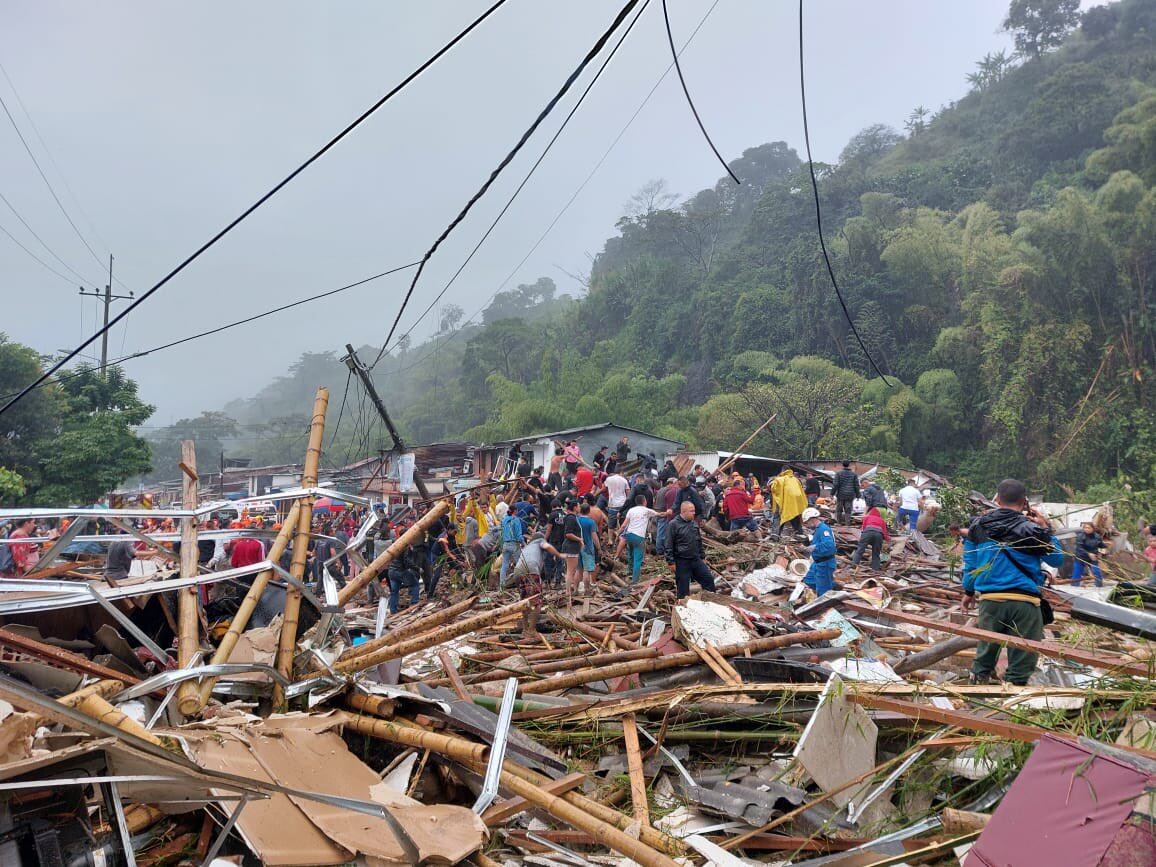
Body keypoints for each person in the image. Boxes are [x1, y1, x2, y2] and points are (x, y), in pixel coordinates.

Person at [962, 478, 1064, 685]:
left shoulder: (978, 526)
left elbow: (970, 564)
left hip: (991, 600)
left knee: (986, 651)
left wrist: (968, 591)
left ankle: (977, 689)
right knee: (1023, 657)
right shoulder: (1033, 529)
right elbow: (1056, 559)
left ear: (997, 499)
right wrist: (1046, 528)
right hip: (1025, 602)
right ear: (1024, 501)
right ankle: (1013, 693)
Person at [509, 534, 559, 637]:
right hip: (530, 569)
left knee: (525, 601)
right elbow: (547, 547)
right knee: (537, 602)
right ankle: (531, 630)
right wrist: (559, 555)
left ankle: (525, 629)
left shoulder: (527, 547)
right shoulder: (540, 541)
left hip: (517, 571)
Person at [665, 500, 717, 599]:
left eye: (694, 511)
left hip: (695, 559)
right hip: (681, 561)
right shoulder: (673, 524)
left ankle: (711, 601)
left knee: (708, 579)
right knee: (683, 588)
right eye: (691, 511)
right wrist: (670, 562)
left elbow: (698, 541)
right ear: (684, 511)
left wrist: (702, 556)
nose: (694, 513)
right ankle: (683, 608)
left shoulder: (693, 524)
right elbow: (668, 544)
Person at [619, 494, 663, 584]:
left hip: (629, 535)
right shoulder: (647, 511)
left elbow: (624, 525)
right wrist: (668, 513)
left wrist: (618, 533)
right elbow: (660, 514)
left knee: (630, 554)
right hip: (639, 537)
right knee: (638, 559)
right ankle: (635, 581)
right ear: (644, 501)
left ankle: (629, 572)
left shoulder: (631, 510)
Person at [801, 507, 838, 596]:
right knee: (809, 581)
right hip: (817, 563)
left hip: (825, 563)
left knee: (822, 592)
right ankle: (831, 585)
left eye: (807, 523)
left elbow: (829, 545)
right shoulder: (817, 530)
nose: (807, 525)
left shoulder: (823, 529)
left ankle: (827, 593)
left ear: (812, 519)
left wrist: (815, 547)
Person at [770, 468, 807, 537]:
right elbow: (801, 491)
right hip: (796, 503)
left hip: (784, 502)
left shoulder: (779, 479)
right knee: (794, 516)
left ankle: (775, 535)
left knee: (778, 517)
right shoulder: (796, 480)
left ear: (782, 471)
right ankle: (800, 534)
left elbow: (773, 489)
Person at [852, 506, 890, 571]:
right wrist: (888, 539)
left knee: (860, 550)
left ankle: (854, 565)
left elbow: (863, 528)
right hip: (878, 535)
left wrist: (862, 539)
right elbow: (885, 532)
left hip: (867, 532)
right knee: (876, 553)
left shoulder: (867, 517)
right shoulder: (882, 520)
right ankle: (875, 568)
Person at [560, 500, 584, 601]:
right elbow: (568, 533)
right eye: (578, 506)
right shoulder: (571, 519)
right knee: (570, 571)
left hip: (572, 547)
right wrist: (579, 539)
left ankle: (570, 590)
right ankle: (568, 592)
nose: (579, 508)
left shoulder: (572, 518)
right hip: (571, 547)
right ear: (574, 507)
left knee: (571, 570)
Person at [387, 545, 422, 614]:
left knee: (394, 591)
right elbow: (407, 561)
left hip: (391, 571)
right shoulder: (404, 546)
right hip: (400, 571)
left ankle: (393, 610)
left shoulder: (395, 545)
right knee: (415, 584)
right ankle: (414, 605)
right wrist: (417, 568)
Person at [499, 507, 527, 589]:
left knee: (504, 565)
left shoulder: (504, 519)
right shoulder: (516, 519)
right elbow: (518, 535)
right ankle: (522, 584)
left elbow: (501, 532)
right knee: (519, 564)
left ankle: (502, 585)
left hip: (505, 544)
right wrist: (524, 543)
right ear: (515, 511)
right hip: (514, 544)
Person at [1071, 521, 1106, 587]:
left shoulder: (1097, 536)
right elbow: (1079, 548)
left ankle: (1099, 587)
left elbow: (1102, 546)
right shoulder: (1080, 536)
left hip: (1092, 559)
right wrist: (1088, 554)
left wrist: (1101, 552)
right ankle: (1074, 587)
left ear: (1093, 528)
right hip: (1081, 557)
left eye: (1088, 528)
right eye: (1085, 528)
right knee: (1076, 574)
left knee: (1097, 572)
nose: (1086, 529)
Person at [577, 503, 601, 590]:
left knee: (579, 569)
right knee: (586, 570)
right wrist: (599, 548)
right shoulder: (591, 522)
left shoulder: (576, 520)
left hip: (576, 547)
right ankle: (586, 590)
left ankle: (578, 588)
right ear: (589, 511)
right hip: (587, 548)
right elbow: (594, 536)